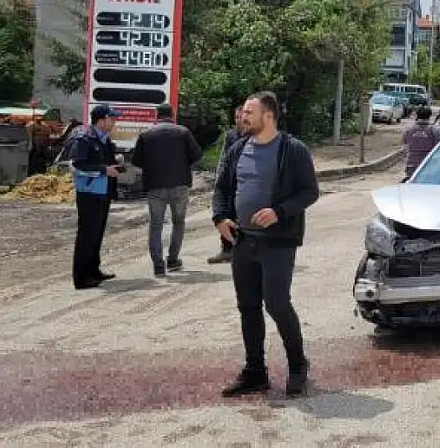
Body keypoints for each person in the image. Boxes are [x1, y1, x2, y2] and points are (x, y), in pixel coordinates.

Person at [212, 91, 320, 398]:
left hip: (279, 242)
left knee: (276, 303)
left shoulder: (292, 149)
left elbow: (310, 192)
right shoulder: (237, 149)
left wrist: (279, 212)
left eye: (249, 112)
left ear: (268, 115)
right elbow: (221, 187)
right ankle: (255, 372)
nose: (242, 117)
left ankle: (298, 366)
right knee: (248, 307)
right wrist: (219, 217)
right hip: (244, 241)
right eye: (243, 112)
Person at [131, 103, 202, 277]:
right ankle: (173, 260)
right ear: (173, 114)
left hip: (155, 186)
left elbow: (136, 160)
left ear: (157, 115)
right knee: (178, 222)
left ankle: (158, 265)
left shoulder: (146, 135)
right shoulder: (183, 132)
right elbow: (197, 155)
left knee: (156, 225)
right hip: (180, 185)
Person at [67, 104, 123, 290]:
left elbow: (103, 161)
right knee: (86, 235)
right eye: (111, 118)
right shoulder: (84, 139)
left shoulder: (104, 139)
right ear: (101, 120)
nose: (114, 121)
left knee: (96, 234)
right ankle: (81, 278)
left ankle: (93, 270)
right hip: (89, 193)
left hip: (103, 191)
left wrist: (115, 164)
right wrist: (104, 170)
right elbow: (77, 166)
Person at [209, 105, 245, 264]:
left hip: (245, 182)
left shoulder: (255, 136)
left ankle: (242, 249)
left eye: (241, 117)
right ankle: (226, 249)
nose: (238, 120)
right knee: (226, 213)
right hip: (230, 181)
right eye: (236, 117)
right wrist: (220, 176)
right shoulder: (231, 136)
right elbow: (224, 158)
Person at [402, 106, 440, 182]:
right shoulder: (435, 130)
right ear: (429, 116)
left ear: (417, 115)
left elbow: (405, 145)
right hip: (428, 166)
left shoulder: (409, 129)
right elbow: (439, 148)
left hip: (411, 165)